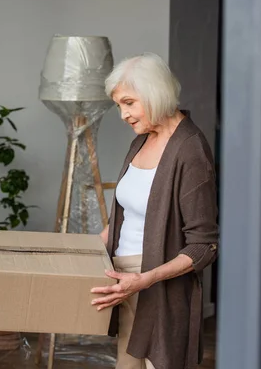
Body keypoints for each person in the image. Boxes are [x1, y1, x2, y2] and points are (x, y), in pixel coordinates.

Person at [90, 52, 219, 369]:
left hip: (158, 286)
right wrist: (88, 251)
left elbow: (203, 246)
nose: (123, 114)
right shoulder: (142, 139)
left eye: (129, 103)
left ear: (154, 94)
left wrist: (145, 279)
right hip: (126, 280)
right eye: (119, 105)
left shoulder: (190, 149)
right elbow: (128, 213)